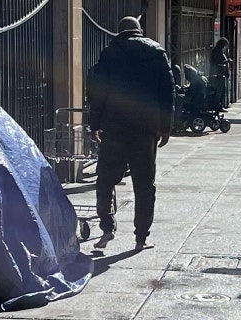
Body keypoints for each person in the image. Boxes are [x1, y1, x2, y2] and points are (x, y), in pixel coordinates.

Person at [87, 16, 175, 251]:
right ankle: (141, 238)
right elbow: (168, 93)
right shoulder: (157, 53)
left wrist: (94, 124)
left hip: (114, 128)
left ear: (119, 31)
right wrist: (165, 127)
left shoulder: (109, 54)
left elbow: (97, 92)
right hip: (145, 130)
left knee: (105, 180)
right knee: (145, 185)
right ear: (140, 31)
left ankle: (107, 227)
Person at [209, 38, 232, 112]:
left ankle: (220, 105)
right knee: (219, 91)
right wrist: (227, 61)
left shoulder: (221, 51)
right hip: (218, 74)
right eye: (225, 44)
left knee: (222, 91)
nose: (226, 46)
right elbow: (218, 61)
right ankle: (217, 106)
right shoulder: (217, 51)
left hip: (221, 73)